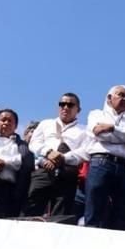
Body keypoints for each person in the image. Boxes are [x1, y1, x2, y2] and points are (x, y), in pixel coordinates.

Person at [85, 85, 125, 230]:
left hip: (124, 166)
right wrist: (124, 136)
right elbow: (99, 133)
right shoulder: (96, 114)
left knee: (123, 211)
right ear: (109, 98)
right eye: (120, 95)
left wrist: (112, 129)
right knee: (95, 206)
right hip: (101, 162)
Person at [24, 93, 89, 221]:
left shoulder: (85, 130)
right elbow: (34, 143)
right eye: (62, 104)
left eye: (70, 105)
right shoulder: (45, 124)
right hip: (43, 172)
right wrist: (48, 153)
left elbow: (85, 151)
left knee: (60, 217)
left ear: (78, 110)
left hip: (67, 175)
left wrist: (63, 158)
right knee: (31, 210)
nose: (65, 107)